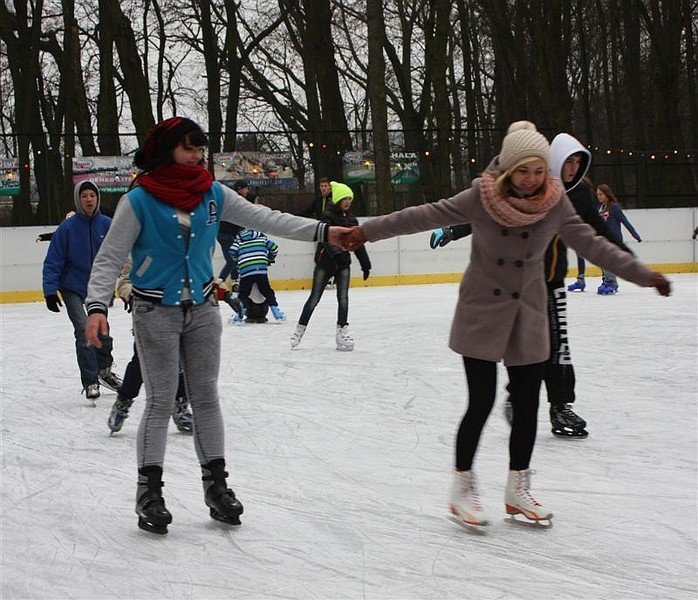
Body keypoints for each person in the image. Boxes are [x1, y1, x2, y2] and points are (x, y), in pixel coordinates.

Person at [344, 121, 670, 526]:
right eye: (523, 171)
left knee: (529, 404)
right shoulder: (481, 197)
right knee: (480, 402)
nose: (532, 180)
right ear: (508, 170)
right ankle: (462, 486)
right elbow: (423, 215)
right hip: (482, 310)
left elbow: (593, 242)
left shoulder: (555, 201)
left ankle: (518, 488)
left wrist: (642, 274)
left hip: (529, 313)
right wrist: (365, 232)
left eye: (538, 170)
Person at [84, 116, 350, 535]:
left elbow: (268, 219)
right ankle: (149, 493)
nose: (197, 156)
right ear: (168, 149)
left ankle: (217, 488)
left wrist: (323, 231)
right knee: (158, 401)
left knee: (205, 399)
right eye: (189, 148)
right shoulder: (139, 200)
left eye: (200, 149)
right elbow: (108, 256)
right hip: (155, 312)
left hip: (204, 310)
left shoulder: (211, 192)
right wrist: (97, 305)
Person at [429, 134, 634, 438]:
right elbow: (488, 212)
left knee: (560, 347)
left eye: (579, 163)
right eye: (569, 162)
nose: (573, 168)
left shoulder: (579, 196)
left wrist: (627, 258)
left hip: (553, 282)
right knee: (525, 346)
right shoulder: (532, 189)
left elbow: (598, 229)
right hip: (522, 285)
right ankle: (516, 391)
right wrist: (453, 229)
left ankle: (561, 405)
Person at [42, 181, 122, 401]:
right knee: (83, 330)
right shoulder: (66, 229)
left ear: (97, 199)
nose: (89, 199)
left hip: (98, 286)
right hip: (72, 287)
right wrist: (50, 291)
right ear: (79, 200)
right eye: (84, 196)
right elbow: (53, 261)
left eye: (92, 196)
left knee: (102, 331)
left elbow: (121, 253)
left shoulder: (107, 225)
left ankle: (104, 371)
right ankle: (90, 381)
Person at [108, 260, 194, 435]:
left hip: (176, 313)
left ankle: (180, 406)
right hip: (148, 315)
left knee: (179, 363)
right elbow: (124, 281)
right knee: (140, 363)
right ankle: (123, 401)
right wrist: (134, 295)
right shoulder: (139, 249)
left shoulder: (180, 246)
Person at [290, 181, 371, 351]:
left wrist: (365, 264)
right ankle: (300, 329)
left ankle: (342, 331)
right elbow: (325, 239)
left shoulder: (352, 219)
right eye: (345, 198)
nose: (348, 201)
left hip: (343, 265)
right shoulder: (327, 217)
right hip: (325, 262)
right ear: (338, 199)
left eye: (350, 198)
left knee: (343, 298)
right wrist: (337, 255)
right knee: (314, 298)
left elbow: (357, 242)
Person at [228, 228, 286, 323]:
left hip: (246, 270)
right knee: (267, 291)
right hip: (260, 269)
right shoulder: (262, 239)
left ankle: (239, 316)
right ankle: (276, 312)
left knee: (243, 294)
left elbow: (232, 251)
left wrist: (238, 261)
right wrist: (269, 259)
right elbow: (274, 248)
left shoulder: (239, 241)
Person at [596, 183, 642, 294]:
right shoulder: (601, 208)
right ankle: (607, 280)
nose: (599, 197)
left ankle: (611, 281)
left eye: (601, 194)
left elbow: (625, 222)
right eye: (597, 194)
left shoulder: (614, 207)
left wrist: (635, 235)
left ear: (607, 194)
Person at [215, 179, 248, 290]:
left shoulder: (236, 199)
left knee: (234, 258)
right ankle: (219, 281)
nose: (247, 190)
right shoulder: (236, 200)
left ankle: (234, 282)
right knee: (232, 260)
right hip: (225, 233)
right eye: (245, 188)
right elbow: (236, 219)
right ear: (240, 189)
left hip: (226, 233)